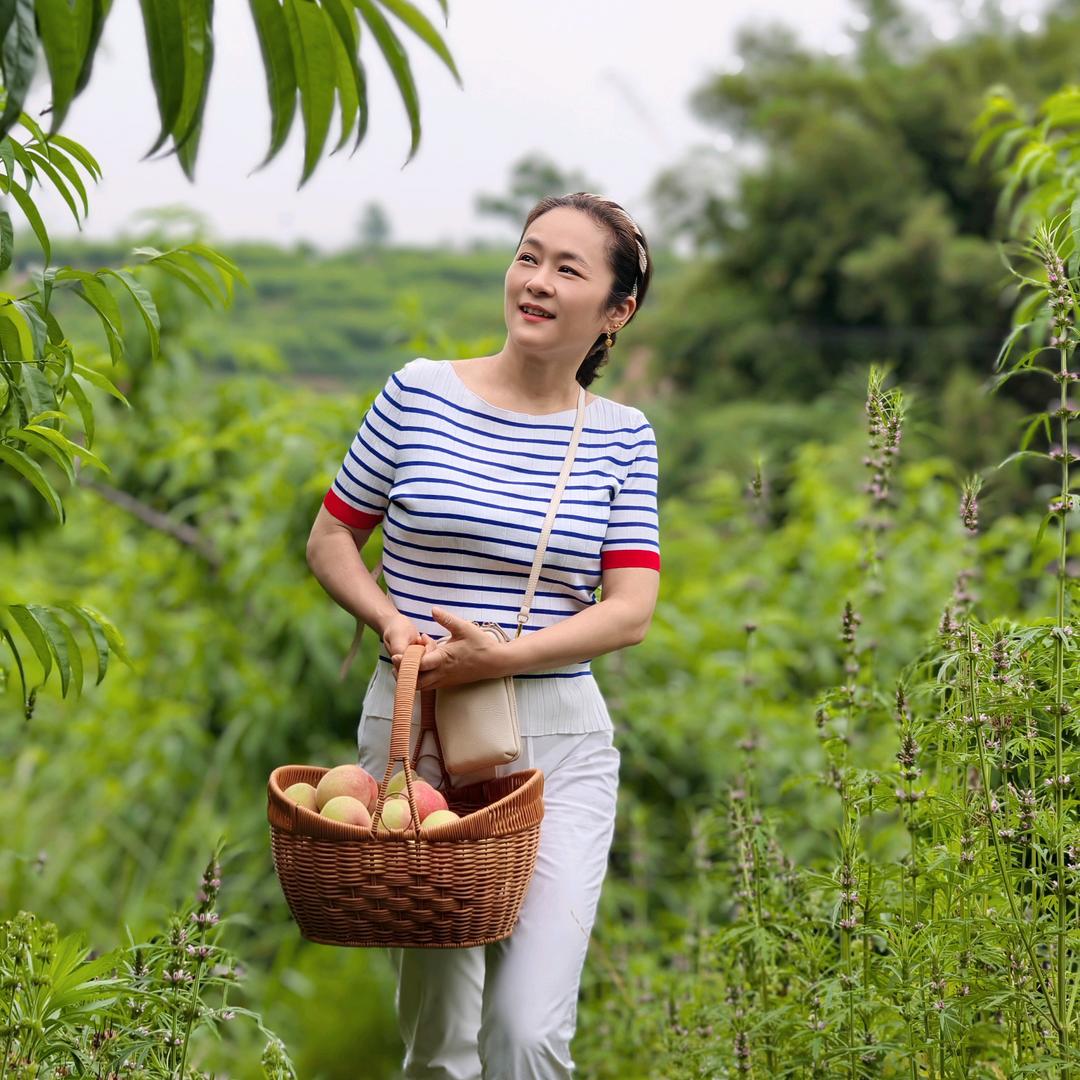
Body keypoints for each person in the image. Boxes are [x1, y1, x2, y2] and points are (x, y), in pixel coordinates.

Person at [305, 191, 661, 1079]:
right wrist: (392, 624)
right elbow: (331, 539)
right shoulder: (418, 391)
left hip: (559, 745)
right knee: (441, 1044)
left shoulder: (622, 437)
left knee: (528, 1031)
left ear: (616, 312)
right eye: (528, 256)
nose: (535, 282)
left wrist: (504, 655)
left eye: (567, 269)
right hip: (416, 729)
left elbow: (630, 609)